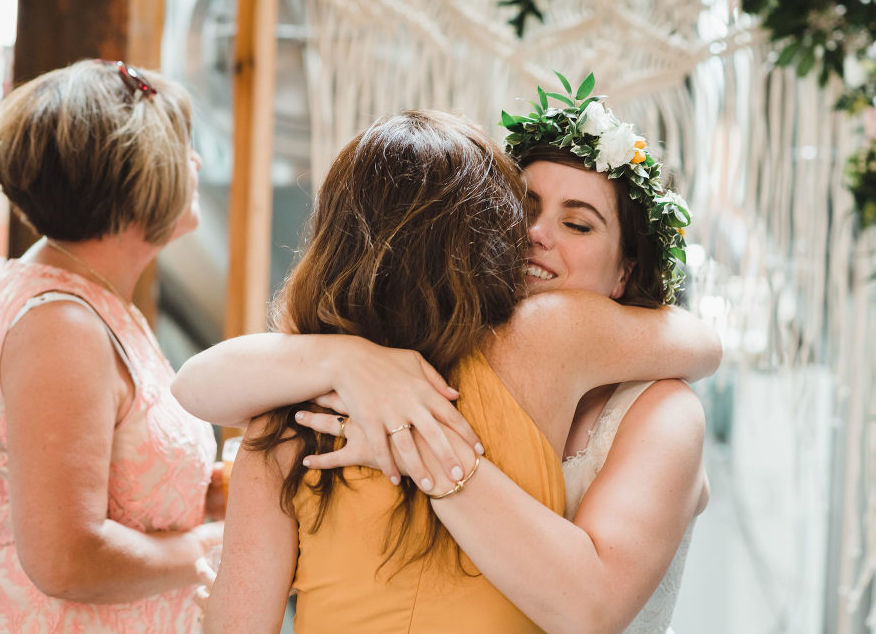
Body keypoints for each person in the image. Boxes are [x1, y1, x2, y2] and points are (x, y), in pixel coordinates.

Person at [172, 107, 720, 633]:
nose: (535, 236)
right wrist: (349, 360)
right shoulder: (532, 344)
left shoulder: (281, 420)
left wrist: (414, 438)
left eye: (577, 223)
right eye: (523, 211)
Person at [0, 59, 224, 633]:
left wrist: (200, 500)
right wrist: (214, 540)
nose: (195, 162)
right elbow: (65, 558)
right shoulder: (62, 326)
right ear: (137, 179)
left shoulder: (90, 300)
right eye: (182, 147)